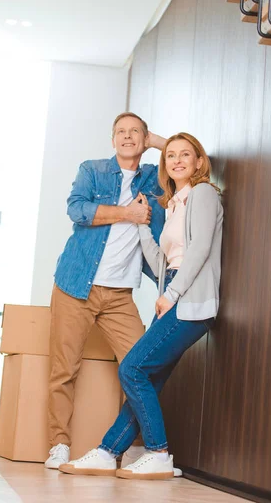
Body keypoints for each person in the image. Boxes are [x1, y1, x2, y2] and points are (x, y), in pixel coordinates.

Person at [59, 132, 223, 480]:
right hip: (174, 294)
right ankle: (108, 451)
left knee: (132, 369)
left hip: (190, 299)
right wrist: (142, 224)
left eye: (185, 154)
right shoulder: (175, 202)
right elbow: (162, 259)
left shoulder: (204, 194)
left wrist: (172, 294)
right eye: (171, 155)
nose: (177, 160)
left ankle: (158, 453)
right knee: (147, 375)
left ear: (198, 161)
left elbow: (199, 251)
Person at [45, 112, 166, 470]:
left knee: (143, 369)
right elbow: (76, 209)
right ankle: (59, 445)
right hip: (75, 285)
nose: (128, 138)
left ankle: (127, 448)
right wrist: (125, 214)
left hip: (119, 296)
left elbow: (190, 152)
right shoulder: (93, 170)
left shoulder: (155, 180)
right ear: (112, 139)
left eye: (135, 133)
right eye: (121, 132)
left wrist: (155, 141)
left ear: (144, 139)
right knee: (64, 370)